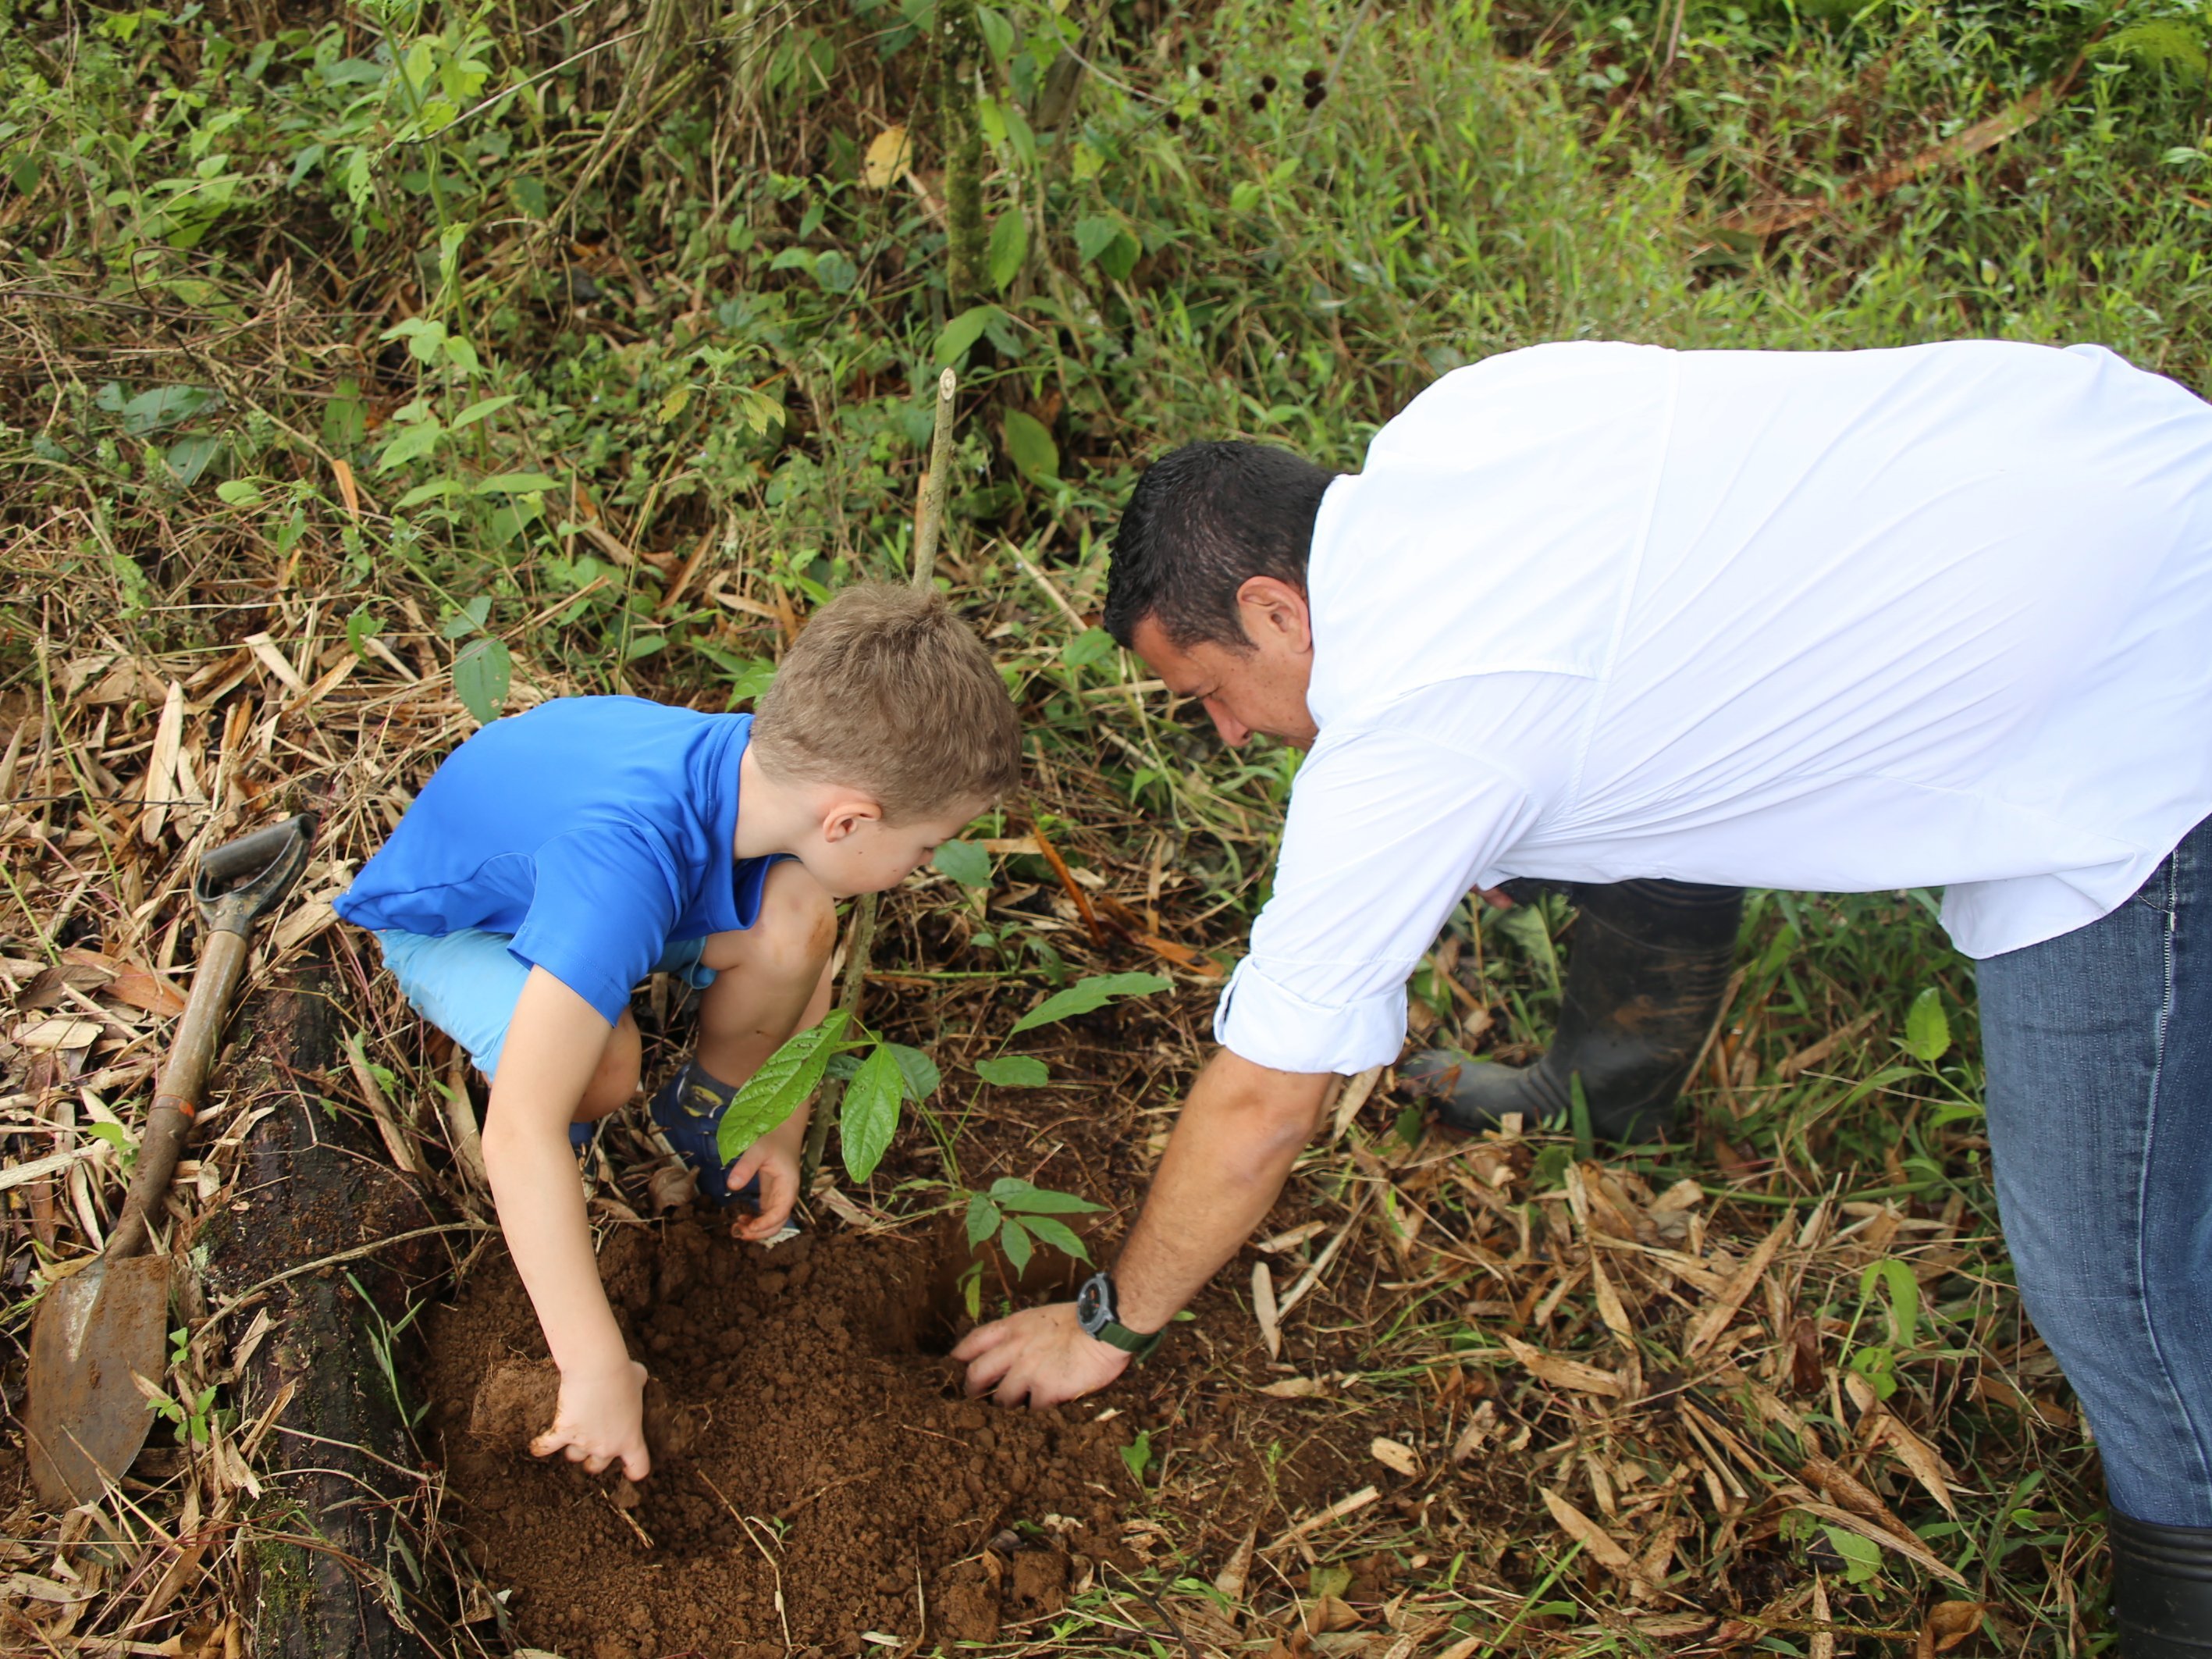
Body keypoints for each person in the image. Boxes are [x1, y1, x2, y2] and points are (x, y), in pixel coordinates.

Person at [951, 340, 2212, 1656]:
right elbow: (1640, 635)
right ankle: (1609, 1083)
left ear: (1274, 610)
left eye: (1207, 694)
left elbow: (1264, 1101)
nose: (1224, 733)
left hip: (2136, 704)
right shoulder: (1461, 428)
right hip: (2115, 457)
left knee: (2108, 1258)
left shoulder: (1416, 736)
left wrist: (1109, 1323)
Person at [339, 584, 1020, 1482]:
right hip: (464, 924)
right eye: (927, 848)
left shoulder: (762, 774)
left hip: (575, 878)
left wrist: (776, 1122)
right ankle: (577, 1180)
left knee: (797, 921)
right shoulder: (628, 863)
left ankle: (710, 1111)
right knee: (600, 1066)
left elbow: (803, 954)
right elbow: (517, 1131)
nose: (922, 869)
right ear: (848, 819)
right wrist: (594, 1366)